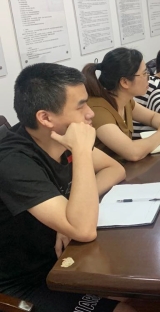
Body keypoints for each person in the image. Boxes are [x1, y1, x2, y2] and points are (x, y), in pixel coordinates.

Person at [0, 64, 135, 312]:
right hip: (25, 283)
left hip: (65, 260)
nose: (90, 113)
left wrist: (70, 212)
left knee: (135, 289)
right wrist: (82, 151)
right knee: (125, 309)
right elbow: (84, 230)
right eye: (80, 106)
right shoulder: (13, 160)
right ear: (45, 118)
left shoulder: (58, 139)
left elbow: (115, 169)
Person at [82, 48, 160, 162]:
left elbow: (151, 117)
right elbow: (133, 152)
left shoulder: (124, 100)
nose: (149, 78)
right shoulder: (98, 111)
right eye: (144, 73)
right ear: (125, 82)